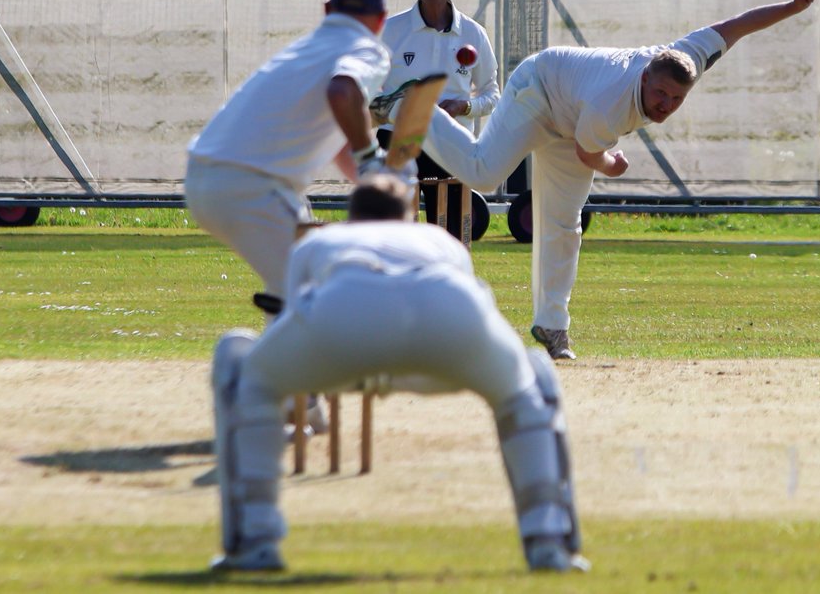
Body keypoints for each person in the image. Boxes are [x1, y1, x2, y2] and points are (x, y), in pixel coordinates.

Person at [410, 0, 819, 360]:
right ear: (645, 77)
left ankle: (551, 327)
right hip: (539, 90)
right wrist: (614, 166)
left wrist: (792, 6)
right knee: (483, 172)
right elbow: (591, 155)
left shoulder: (688, 56)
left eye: (676, 98)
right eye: (659, 93)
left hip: (574, 117)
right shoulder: (610, 105)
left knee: (564, 224)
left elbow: (738, 26)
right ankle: (416, 111)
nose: (665, 104)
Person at [209, 174, 589, 574]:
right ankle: (549, 542)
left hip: (344, 318)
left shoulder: (321, 241)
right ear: (405, 218)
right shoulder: (438, 239)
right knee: (530, 383)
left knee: (241, 368)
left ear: (352, 218)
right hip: (447, 312)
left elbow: (289, 313)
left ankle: (254, 540)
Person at [185, 0, 406, 303]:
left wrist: (375, 184)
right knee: (320, 297)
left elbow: (339, 131)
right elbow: (343, 92)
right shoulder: (368, 50)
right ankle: (249, 357)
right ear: (381, 20)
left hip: (205, 178)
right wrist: (372, 161)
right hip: (252, 188)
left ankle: (262, 350)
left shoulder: (305, 48)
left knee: (298, 294)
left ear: (327, 9)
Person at [373, 0, 500, 236]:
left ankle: (446, 280)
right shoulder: (390, 31)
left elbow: (491, 93)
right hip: (398, 139)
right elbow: (367, 91)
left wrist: (463, 107)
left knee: (451, 234)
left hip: (452, 143)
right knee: (393, 233)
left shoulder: (473, 33)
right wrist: (398, 109)